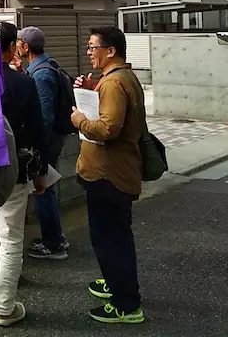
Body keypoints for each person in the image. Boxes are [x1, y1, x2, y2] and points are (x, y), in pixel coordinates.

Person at [0, 21, 50, 327]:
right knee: (11, 237)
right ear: (12, 47)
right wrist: (41, 171)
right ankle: (4, 307)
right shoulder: (24, 83)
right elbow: (38, 131)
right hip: (13, 168)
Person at [71, 26, 145, 325]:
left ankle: (126, 304)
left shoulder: (114, 83)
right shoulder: (120, 78)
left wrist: (79, 120)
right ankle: (115, 281)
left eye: (93, 47)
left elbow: (108, 128)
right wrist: (92, 91)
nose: (89, 52)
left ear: (110, 50)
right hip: (114, 171)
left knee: (111, 239)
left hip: (108, 175)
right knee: (115, 236)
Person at [18, 26, 70, 261]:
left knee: (43, 189)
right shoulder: (46, 65)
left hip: (47, 142)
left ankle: (53, 243)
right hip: (53, 139)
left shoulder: (41, 75)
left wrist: (38, 149)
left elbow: (45, 117)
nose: (16, 46)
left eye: (19, 42)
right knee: (46, 189)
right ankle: (56, 237)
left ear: (25, 46)